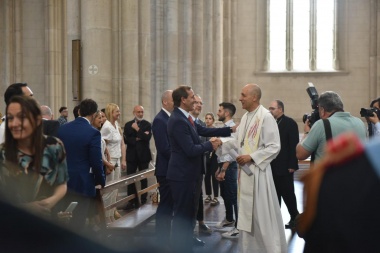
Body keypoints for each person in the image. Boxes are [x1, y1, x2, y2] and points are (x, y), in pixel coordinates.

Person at [217, 83, 286, 252]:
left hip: (259, 174)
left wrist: (252, 157)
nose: (240, 98)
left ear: (254, 97)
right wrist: (221, 143)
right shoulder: (247, 117)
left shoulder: (266, 117)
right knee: (247, 218)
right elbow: (238, 142)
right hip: (246, 174)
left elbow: (274, 146)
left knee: (261, 217)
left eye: (243, 95)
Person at [167, 85, 232, 253]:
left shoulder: (186, 118)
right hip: (182, 175)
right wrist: (210, 144)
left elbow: (203, 129)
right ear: (183, 99)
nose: (195, 100)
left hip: (191, 173)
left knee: (190, 214)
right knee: (182, 216)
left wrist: (230, 130)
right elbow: (189, 149)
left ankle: (186, 244)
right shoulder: (178, 120)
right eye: (192, 97)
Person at [0, 96, 68, 218]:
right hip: (13, 223)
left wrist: (48, 203)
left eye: (21, 117)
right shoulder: (3, 153)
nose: (14, 124)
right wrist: (27, 208)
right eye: (10, 118)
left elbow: (62, 184)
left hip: (47, 219)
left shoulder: (54, 146)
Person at [57, 99, 106, 232]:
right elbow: (96, 161)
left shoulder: (62, 129)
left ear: (79, 111)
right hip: (82, 183)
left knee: (63, 221)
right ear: (94, 114)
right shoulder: (93, 132)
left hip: (62, 182)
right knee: (78, 223)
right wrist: (101, 180)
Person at [296, 91, 367, 162]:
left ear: (322, 110)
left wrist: (307, 132)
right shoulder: (360, 123)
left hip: (330, 172)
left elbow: (300, 154)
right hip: (355, 172)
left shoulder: (321, 125)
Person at [269, 99, 299, 229]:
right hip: (272, 166)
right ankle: (276, 219)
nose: (270, 111)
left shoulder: (290, 123)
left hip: (286, 166)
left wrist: (292, 164)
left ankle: (295, 218)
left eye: (272, 108)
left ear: (280, 109)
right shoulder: (270, 123)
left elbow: (294, 145)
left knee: (288, 194)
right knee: (274, 195)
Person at [152, 90, 174, 249]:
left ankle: (166, 237)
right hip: (165, 169)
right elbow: (164, 148)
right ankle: (161, 239)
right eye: (174, 99)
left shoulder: (170, 118)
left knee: (169, 205)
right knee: (165, 205)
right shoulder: (160, 120)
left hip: (171, 169)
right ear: (165, 102)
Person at [214, 102, 239, 239]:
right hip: (223, 166)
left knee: (233, 196)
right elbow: (221, 152)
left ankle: (238, 228)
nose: (218, 113)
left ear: (227, 113)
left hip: (229, 167)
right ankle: (229, 218)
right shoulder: (225, 127)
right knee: (225, 194)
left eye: (220, 110)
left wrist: (223, 169)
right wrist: (219, 168)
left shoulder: (232, 128)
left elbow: (231, 151)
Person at [190, 94, 212, 241]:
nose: (199, 105)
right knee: (190, 200)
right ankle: (190, 232)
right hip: (188, 167)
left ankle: (201, 222)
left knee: (199, 196)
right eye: (196, 102)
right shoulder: (184, 121)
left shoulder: (201, 124)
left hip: (199, 165)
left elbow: (204, 145)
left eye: (201, 103)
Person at [100, 103, 126, 219]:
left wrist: (123, 159)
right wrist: (107, 162)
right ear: (111, 112)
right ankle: (105, 217)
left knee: (115, 189)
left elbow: (121, 143)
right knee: (109, 190)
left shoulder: (115, 124)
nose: (119, 113)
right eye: (117, 111)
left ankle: (111, 215)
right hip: (110, 161)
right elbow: (102, 145)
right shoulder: (106, 127)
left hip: (117, 159)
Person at [123, 105, 152, 208]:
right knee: (130, 179)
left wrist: (137, 129)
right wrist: (139, 136)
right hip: (131, 156)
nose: (140, 114)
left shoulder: (147, 124)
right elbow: (127, 139)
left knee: (143, 179)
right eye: (138, 112)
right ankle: (131, 201)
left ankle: (143, 199)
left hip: (144, 156)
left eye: (142, 112)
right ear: (134, 112)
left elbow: (147, 138)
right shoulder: (128, 124)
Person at [203, 112, 219, 206]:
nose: (208, 120)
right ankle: (208, 195)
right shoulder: (203, 130)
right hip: (206, 155)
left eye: (210, 118)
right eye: (206, 118)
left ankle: (216, 196)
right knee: (207, 176)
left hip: (214, 155)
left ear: (213, 120)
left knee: (214, 176)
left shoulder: (215, 130)